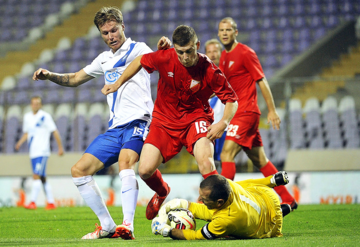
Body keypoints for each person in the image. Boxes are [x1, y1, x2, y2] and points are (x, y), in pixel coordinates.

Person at [32, 6, 171, 240]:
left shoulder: (140, 49)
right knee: (79, 171)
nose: (111, 37)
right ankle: (107, 225)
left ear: (122, 27)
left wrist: (165, 47)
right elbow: (75, 78)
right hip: (115, 128)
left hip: (139, 121)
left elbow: (164, 63)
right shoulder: (104, 59)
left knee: (125, 163)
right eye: (105, 33)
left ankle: (127, 225)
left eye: (114, 30)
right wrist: (49, 75)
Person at [101, 25, 239, 221]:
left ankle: (220, 214)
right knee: (144, 170)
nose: (184, 57)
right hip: (164, 120)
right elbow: (140, 60)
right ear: (174, 49)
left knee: (206, 163)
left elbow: (232, 100)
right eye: (180, 52)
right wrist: (117, 83)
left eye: (189, 51)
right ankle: (162, 192)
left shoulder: (209, 70)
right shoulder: (165, 57)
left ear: (197, 46)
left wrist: (223, 123)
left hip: (196, 119)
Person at [217, 17, 297, 209]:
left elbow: (262, 80)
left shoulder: (245, 52)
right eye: (221, 30)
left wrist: (272, 110)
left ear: (236, 32)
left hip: (246, 112)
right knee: (260, 159)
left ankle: (226, 205)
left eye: (228, 30)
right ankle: (288, 199)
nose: (225, 33)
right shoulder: (224, 57)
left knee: (226, 154)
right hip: (238, 113)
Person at [151, 172, 292, 240]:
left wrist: (167, 231)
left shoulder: (227, 219)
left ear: (219, 202)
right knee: (245, 187)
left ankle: (284, 210)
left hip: (271, 226)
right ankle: (284, 208)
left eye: (204, 199)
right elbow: (249, 184)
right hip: (266, 194)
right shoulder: (227, 184)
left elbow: (196, 235)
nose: (199, 199)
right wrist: (271, 181)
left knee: (229, 235)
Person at [15, 96, 64, 210]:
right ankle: (51, 203)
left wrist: (60, 147)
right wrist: (20, 142)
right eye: (34, 103)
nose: (35, 105)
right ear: (31, 105)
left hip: (42, 151)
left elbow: (54, 131)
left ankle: (32, 202)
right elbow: (27, 133)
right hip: (33, 152)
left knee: (36, 175)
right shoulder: (27, 117)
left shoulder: (45, 116)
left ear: (40, 105)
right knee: (42, 177)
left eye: (38, 103)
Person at [205, 39, 226, 164]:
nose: (212, 54)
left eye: (215, 51)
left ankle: (225, 182)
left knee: (224, 159)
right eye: (209, 51)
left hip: (225, 125)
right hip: (208, 124)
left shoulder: (229, 72)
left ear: (221, 53)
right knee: (207, 159)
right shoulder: (201, 74)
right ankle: (208, 183)